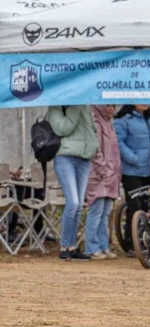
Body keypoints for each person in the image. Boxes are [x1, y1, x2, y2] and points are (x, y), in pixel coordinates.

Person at [114, 105, 150, 256]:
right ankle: (131, 243)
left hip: (149, 170)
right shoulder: (123, 120)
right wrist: (133, 158)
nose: (145, 102)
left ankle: (144, 241)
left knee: (146, 206)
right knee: (134, 206)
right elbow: (118, 142)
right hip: (131, 171)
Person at [47, 105, 98, 262]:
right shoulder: (56, 107)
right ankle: (64, 247)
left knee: (79, 205)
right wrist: (75, 108)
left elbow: (92, 129)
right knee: (73, 202)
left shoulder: (84, 106)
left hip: (84, 158)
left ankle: (72, 247)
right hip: (65, 157)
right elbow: (62, 129)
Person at [84, 105, 121, 260]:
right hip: (99, 176)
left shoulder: (109, 124)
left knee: (105, 214)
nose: (111, 108)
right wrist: (103, 170)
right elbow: (95, 150)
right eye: (107, 105)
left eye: (113, 105)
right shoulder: (96, 124)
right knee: (96, 212)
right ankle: (91, 248)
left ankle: (103, 246)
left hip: (110, 176)